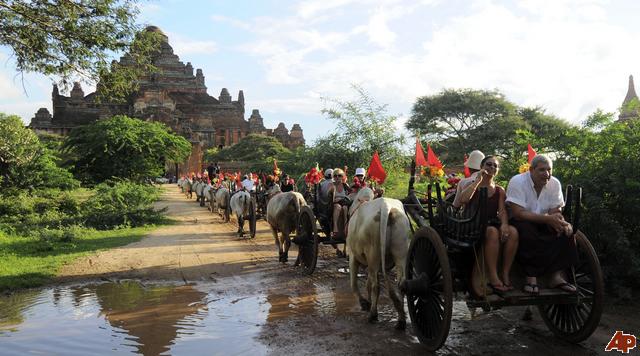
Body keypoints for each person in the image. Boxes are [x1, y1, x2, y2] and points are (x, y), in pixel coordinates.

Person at [506, 154, 577, 294]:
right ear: (531, 170)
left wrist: (562, 222)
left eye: (549, 170)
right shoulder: (518, 181)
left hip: (545, 220)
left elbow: (555, 211)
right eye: (542, 170)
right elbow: (518, 213)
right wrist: (548, 219)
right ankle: (531, 278)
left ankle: (556, 276)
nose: (546, 174)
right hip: (521, 221)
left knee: (565, 232)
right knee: (528, 232)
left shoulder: (554, 183)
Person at [455, 156, 519, 292]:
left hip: (490, 222)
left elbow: (501, 211)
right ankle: (493, 276)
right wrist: (477, 181)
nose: (492, 168)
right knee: (492, 232)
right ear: (482, 167)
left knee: (513, 232)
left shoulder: (499, 190)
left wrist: (505, 224)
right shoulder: (471, 184)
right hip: (471, 224)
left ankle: (505, 273)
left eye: (495, 166)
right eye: (489, 165)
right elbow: (462, 200)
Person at [327, 168, 351, 239]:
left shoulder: (345, 185)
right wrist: (332, 193)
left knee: (345, 208)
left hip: (344, 203)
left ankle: (345, 227)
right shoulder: (331, 185)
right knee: (338, 207)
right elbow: (328, 196)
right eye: (335, 175)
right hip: (333, 204)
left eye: (339, 175)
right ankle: (335, 228)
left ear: (342, 176)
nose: (337, 177)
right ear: (333, 177)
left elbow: (352, 192)